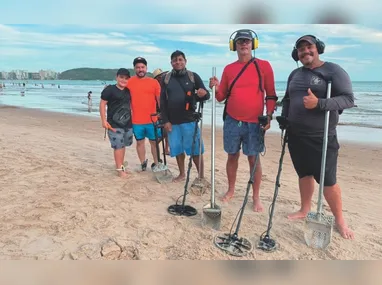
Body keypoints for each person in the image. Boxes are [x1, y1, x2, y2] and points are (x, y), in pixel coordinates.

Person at [281, 35, 355, 239]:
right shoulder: (294, 74)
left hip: (321, 136)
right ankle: (305, 209)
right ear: (296, 54)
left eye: (309, 47)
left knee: (328, 181)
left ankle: (340, 220)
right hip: (296, 135)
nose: (305, 51)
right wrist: (284, 117)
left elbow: (348, 99)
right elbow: (288, 98)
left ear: (318, 49)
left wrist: (320, 103)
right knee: (304, 174)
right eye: (301, 49)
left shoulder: (333, 71)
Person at [209, 29, 278, 212]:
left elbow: (271, 95)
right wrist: (214, 87)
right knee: (232, 155)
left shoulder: (264, 66)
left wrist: (269, 116)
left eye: (247, 41)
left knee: (254, 158)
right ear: (234, 46)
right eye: (240, 41)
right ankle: (231, 190)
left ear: (253, 44)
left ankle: (256, 197)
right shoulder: (229, 69)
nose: (243, 44)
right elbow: (221, 96)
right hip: (232, 120)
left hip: (255, 122)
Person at [160, 50, 210, 182]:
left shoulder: (193, 76)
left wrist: (202, 94)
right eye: (175, 60)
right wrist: (165, 121)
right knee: (177, 150)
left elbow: (206, 95)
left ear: (185, 61)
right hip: (172, 122)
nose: (178, 62)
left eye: (180, 59)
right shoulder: (166, 79)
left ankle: (201, 177)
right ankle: (182, 174)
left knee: (195, 151)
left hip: (189, 121)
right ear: (171, 63)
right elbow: (162, 102)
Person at [127, 57, 162, 171]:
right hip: (136, 120)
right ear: (134, 69)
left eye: (142, 67)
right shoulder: (129, 82)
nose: (140, 69)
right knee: (140, 142)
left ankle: (157, 163)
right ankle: (143, 163)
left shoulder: (154, 82)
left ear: (146, 68)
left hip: (152, 119)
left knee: (154, 143)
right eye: (138, 67)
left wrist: (163, 114)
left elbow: (160, 100)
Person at [99, 68, 133, 178]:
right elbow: (102, 104)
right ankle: (119, 170)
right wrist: (104, 120)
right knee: (118, 146)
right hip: (113, 124)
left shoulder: (128, 91)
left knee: (123, 145)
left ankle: (121, 166)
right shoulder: (110, 90)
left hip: (127, 123)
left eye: (126, 78)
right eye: (121, 77)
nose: (123, 80)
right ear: (117, 77)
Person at [152, 68, 170, 155]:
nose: (163, 77)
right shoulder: (155, 87)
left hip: (166, 111)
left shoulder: (165, 86)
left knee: (167, 132)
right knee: (162, 133)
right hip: (158, 113)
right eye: (161, 76)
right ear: (157, 78)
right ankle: (155, 146)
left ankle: (166, 149)